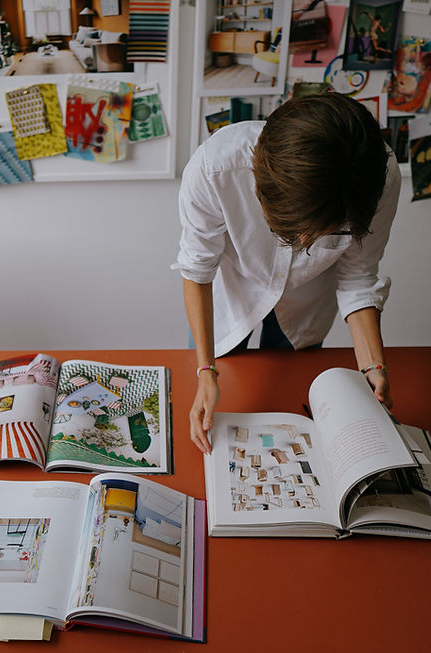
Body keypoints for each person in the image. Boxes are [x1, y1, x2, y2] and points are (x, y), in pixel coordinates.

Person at [174, 92, 401, 454]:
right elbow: (197, 270)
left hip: (307, 300)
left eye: (328, 234)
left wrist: (374, 365)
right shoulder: (215, 168)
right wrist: (205, 371)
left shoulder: (376, 179)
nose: (307, 244)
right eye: (298, 232)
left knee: (290, 399)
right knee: (211, 397)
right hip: (228, 292)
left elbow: (358, 276)